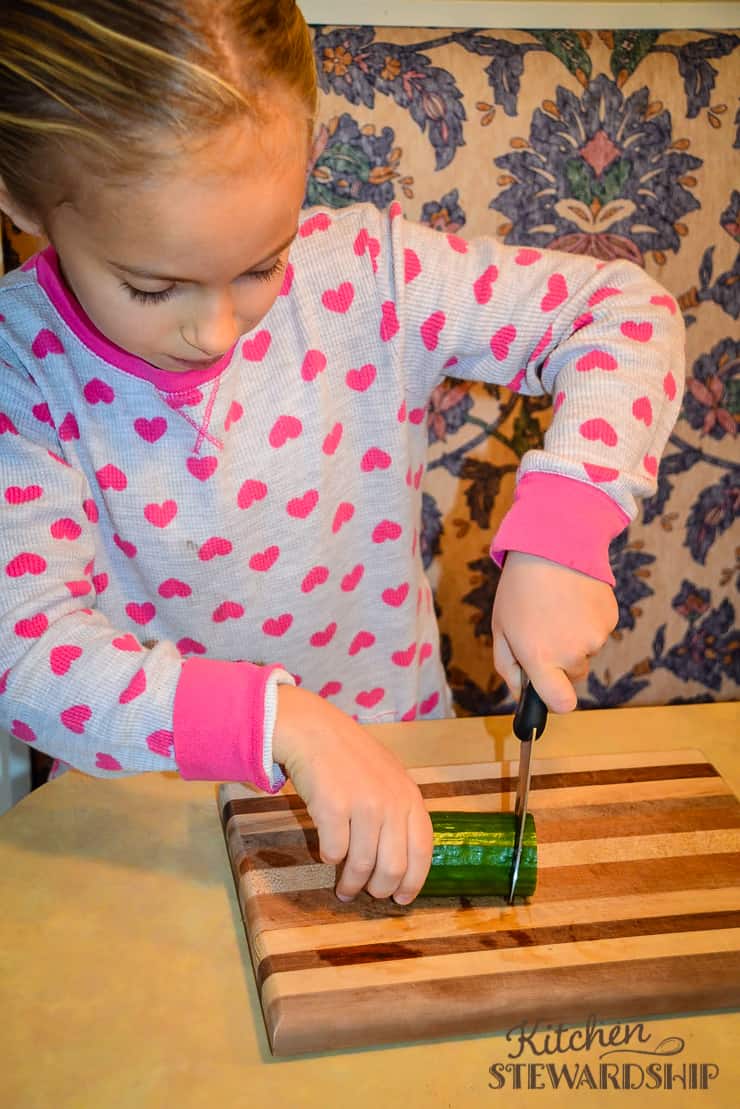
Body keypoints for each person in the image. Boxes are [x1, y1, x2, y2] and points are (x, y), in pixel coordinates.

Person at [0, 0, 684, 904]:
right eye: (152, 285)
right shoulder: (21, 366)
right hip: (148, 831)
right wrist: (279, 721)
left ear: (307, 162)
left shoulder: (370, 277)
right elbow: (27, 649)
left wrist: (569, 522)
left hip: (404, 770)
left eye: (259, 265)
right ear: (17, 198)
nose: (214, 332)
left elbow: (623, 315)